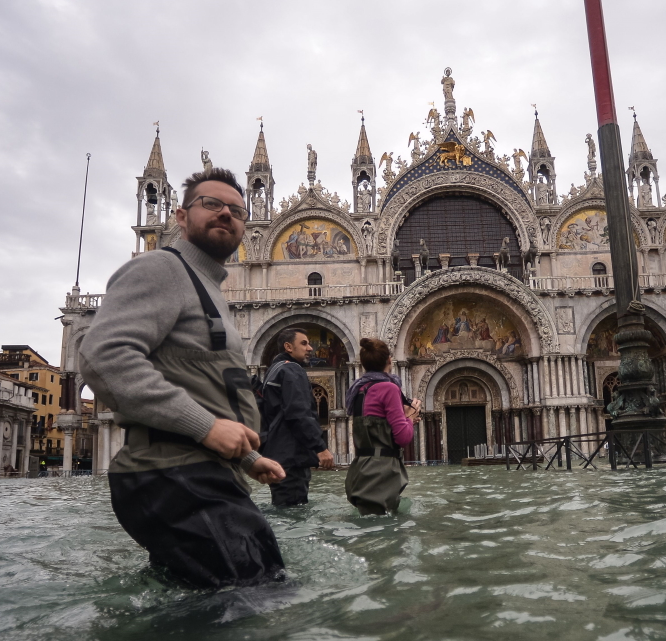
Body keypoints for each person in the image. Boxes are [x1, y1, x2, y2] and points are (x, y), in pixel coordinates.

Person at [79, 167, 287, 589]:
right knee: (256, 602)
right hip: (176, 476)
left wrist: (248, 458)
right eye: (211, 204)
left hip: (198, 475)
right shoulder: (161, 268)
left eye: (236, 210)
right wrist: (207, 427)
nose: (225, 214)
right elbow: (103, 356)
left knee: (213, 605)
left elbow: (206, 386)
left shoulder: (207, 287)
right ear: (179, 216)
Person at [343, 338, 421, 515]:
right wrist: (410, 416)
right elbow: (403, 438)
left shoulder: (358, 390)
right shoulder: (389, 388)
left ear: (363, 365)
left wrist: (405, 419)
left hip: (359, 472)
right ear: (389, 360)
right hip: (381, 475)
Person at [258, 327, 333, 506]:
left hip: (276, 455)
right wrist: (320, 447)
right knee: (294, 513)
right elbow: (298, 413)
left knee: (282, 509)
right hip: (291, 457)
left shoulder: (273, 370)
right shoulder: (292, 370)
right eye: (304, 343)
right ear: (288, 347)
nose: (310, 348)